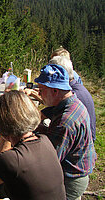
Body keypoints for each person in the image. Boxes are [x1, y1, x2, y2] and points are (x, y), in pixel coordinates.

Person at [34, 64, 96, 200]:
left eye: (41, 90)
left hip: (71, 179)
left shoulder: (65, 122)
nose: (38, 94)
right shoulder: (71, 101)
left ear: (55, 91)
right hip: (76, 169)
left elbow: (48, 161)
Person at [49, 56, 96, 142]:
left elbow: (52, 154)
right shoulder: (73, 91)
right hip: (84, 139)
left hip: (84, 141)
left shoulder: (72, 95)